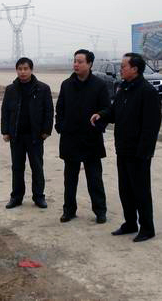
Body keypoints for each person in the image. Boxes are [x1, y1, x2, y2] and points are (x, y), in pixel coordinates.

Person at [90, 52, 162, 242]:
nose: (120, 69)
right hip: (123, 149)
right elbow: (114, 112)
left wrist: (144, 152)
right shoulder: (124, 89)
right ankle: (130, 223)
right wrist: (101, 115)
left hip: (139, 153)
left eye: (123, 66)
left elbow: (151, 126)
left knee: (141, 191)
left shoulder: (147, 92)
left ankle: (147, 228)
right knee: (125, 190)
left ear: (135, 69)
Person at [55, 49, 111, 223]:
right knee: (70, 179)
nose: (76, 64)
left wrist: (98, 125)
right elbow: (60, 108)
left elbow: (106, 109)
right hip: (70, 139)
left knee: (94, 179)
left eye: (80, 62)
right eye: (75, 61)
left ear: (90, 64)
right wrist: (61, 126)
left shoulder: (99, 85)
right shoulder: (66, 85)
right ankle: (69, 210)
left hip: (91, 139)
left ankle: (100, 211)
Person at [1, 57, 53, 209]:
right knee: (17, 168)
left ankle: (39, 197)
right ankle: (16, 197)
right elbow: (5, 111)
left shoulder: (42, 88)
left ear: (31, 70)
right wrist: (5, 131)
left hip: (35, 136)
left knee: (37, 167)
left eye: (26, 69)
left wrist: (46, 131)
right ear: (16, 70)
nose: (23, 72)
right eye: (20, 69)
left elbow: (49, 111)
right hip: (16, 136)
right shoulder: (10, 89)